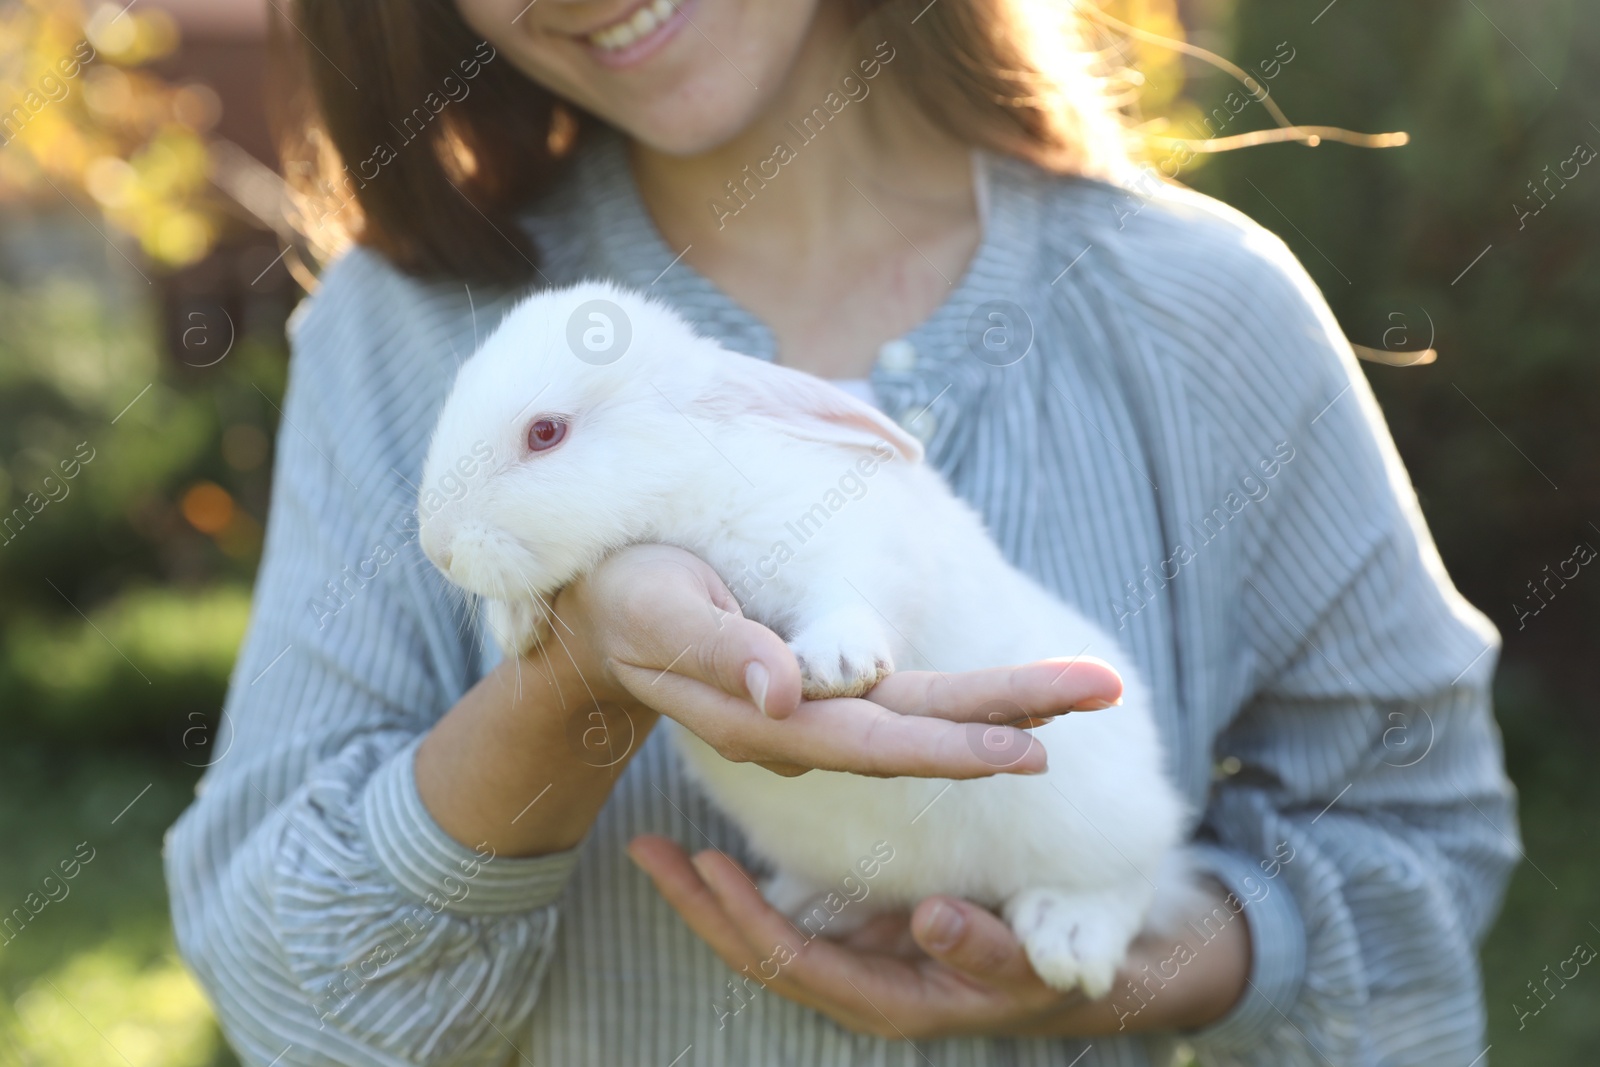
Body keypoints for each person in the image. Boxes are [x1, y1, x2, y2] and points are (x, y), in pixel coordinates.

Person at [165, 1, 1520, 1063]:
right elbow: (297, 997)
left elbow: (1415, 842)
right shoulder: (397, 336)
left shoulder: (1208, 314)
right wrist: (577, 678)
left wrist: (1128, 972)